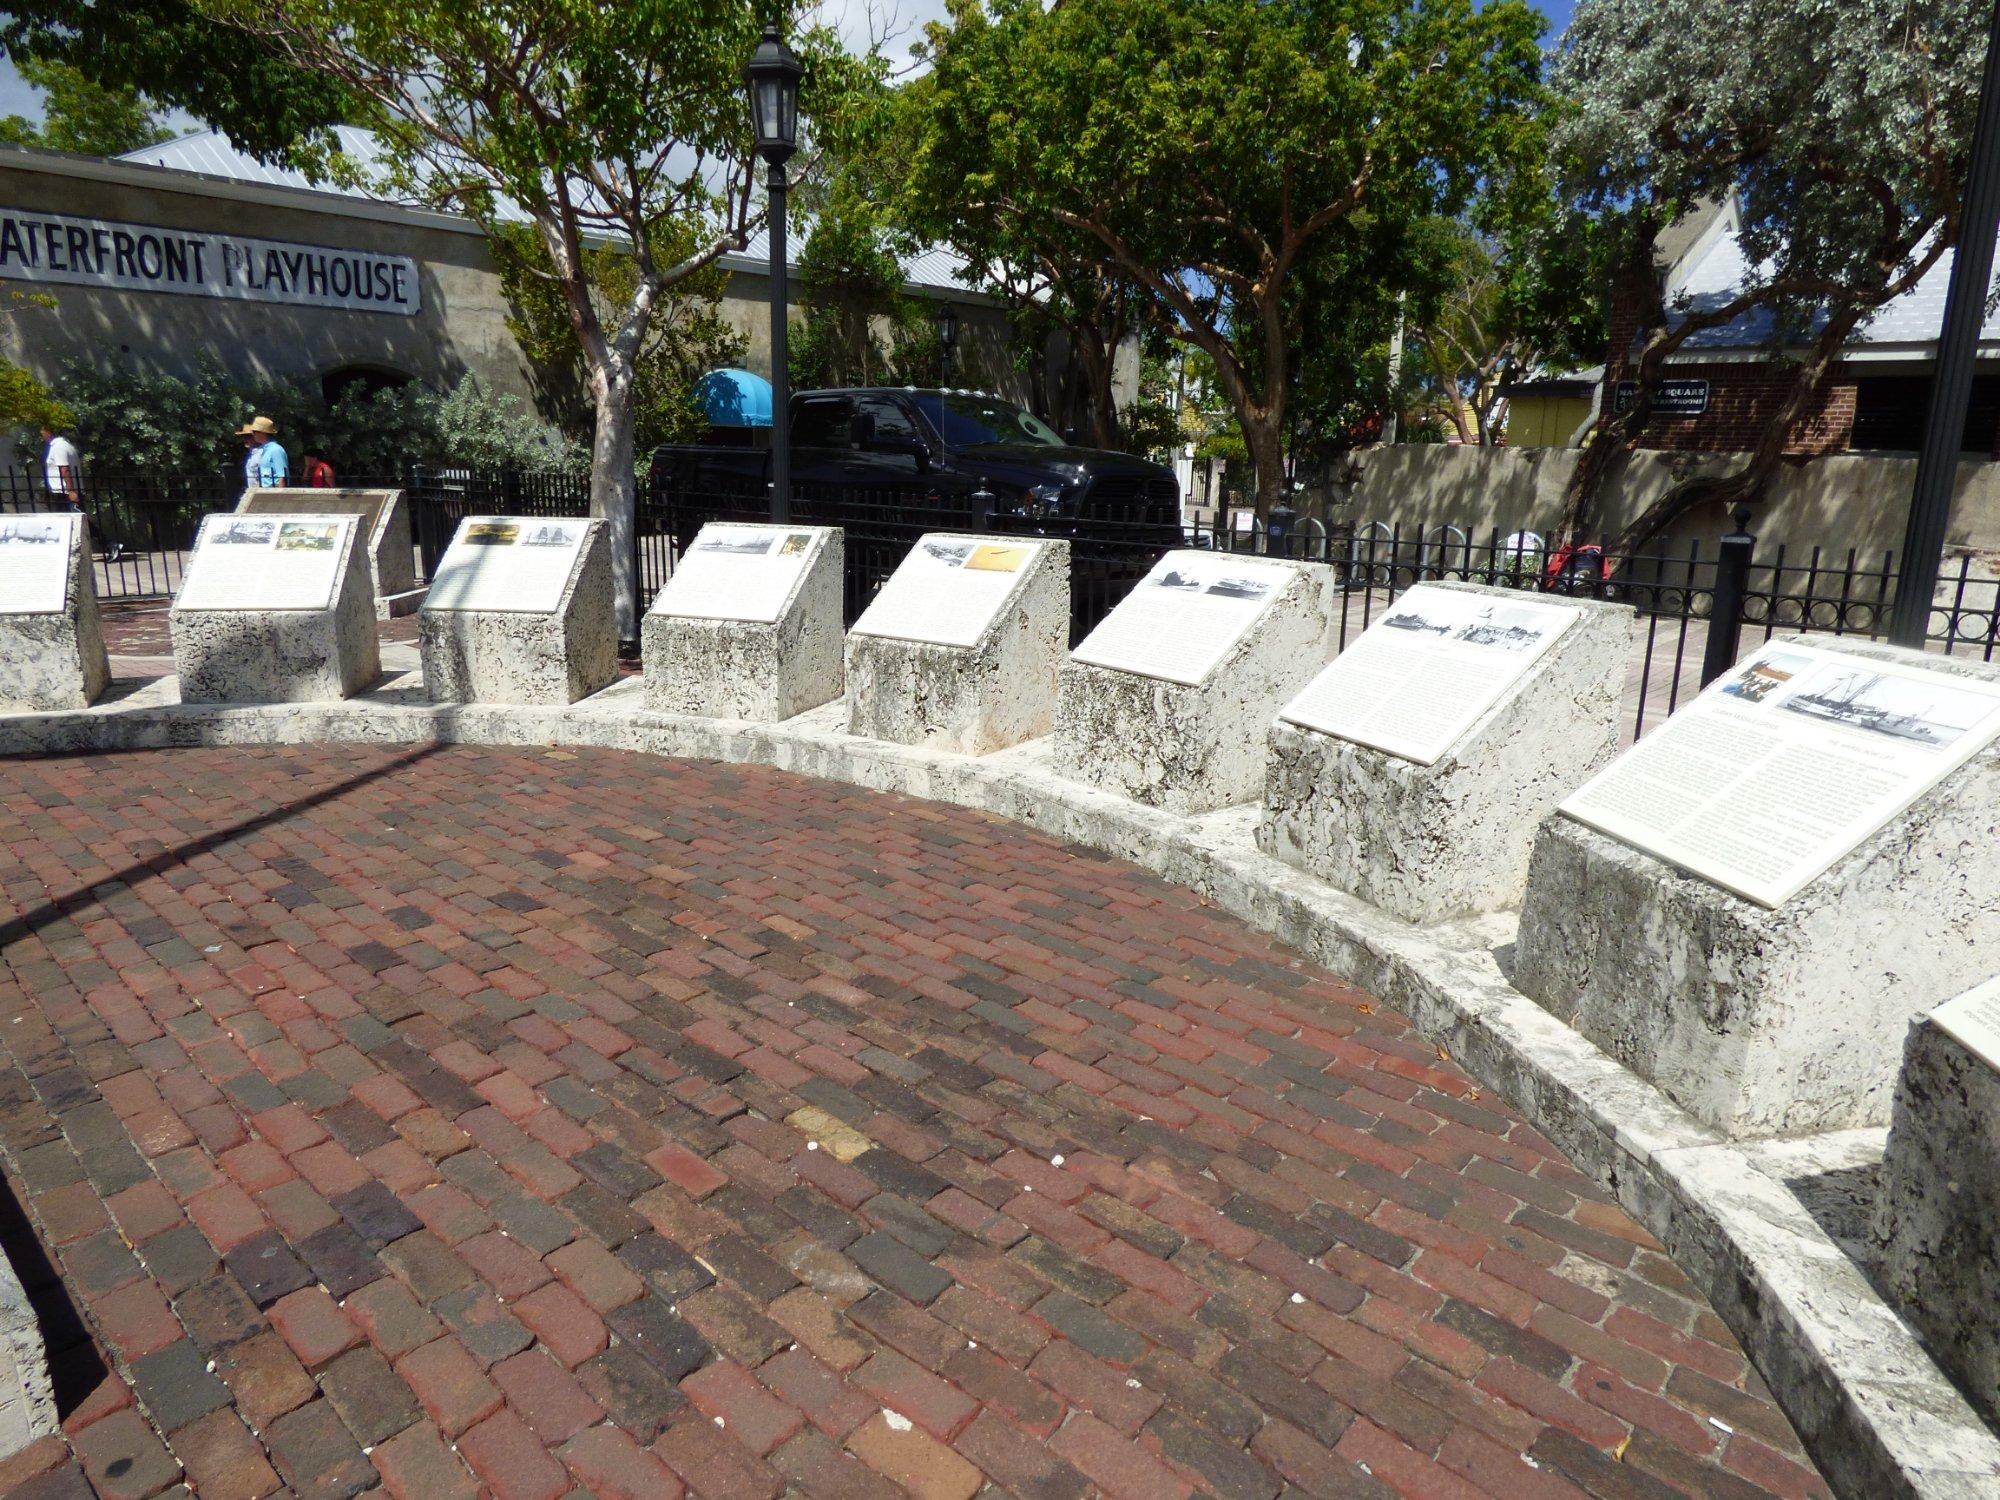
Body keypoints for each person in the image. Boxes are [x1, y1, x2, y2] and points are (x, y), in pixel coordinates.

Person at [237, 415, 289, 490]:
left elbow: (282, 477)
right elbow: (263, 478)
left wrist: (279, 498)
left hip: (273, 494)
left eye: (254, 432)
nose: (253, 434)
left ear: (262, 433)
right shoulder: (265, 450)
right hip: (264, 493)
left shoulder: (276, 449)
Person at [40, 424, 81, 512]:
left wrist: (71, 491)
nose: (41, 434)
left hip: (63, 493)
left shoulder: (58, 447)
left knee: (67, 522)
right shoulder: (64, 445)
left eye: (43, 432)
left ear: (49, 432)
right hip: (62, 492)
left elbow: (64, 469)